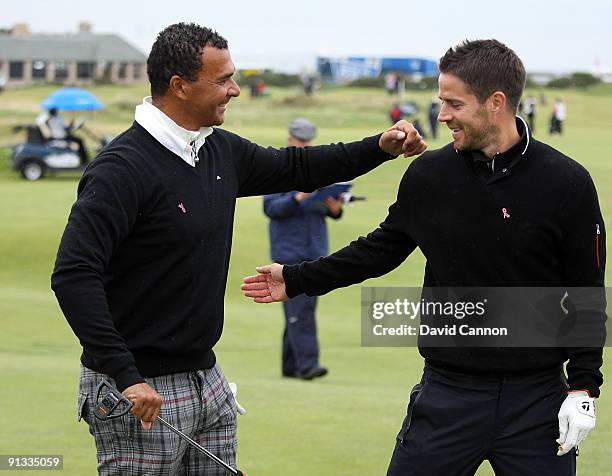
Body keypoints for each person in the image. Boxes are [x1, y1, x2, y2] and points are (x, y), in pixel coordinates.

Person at [50, 22, 426, 476]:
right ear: (180, 86)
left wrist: (379, 147)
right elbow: (73, 274)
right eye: (223, 79)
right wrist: (125, 374)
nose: (235, 90)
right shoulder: (122, 168)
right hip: (137, 389)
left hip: (206, 378)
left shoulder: (215, 150)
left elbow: (297, 167)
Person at [242, 39, 605, 476]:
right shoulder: (431, 175)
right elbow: (379, 251)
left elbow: (585, 289)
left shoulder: (566, 182)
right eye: (441, 103)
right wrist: (298, 278)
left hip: (538, 401)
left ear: (496, 102)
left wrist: (583, 386)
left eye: (453, 103)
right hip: (447, 393)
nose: (443, 115)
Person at [264, 118, 343, 380]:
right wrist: (299, 197)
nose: (306, 145)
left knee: (298, 310)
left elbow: (327, 209)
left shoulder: (318, 170)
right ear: (290, 140)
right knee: (301, 310)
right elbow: (272, 209)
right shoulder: (277, 169)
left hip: (315, 249)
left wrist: (335, 208)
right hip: (289, 253)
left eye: (309, 141)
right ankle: (308, 365)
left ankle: (290, 366)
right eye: (301, 141)